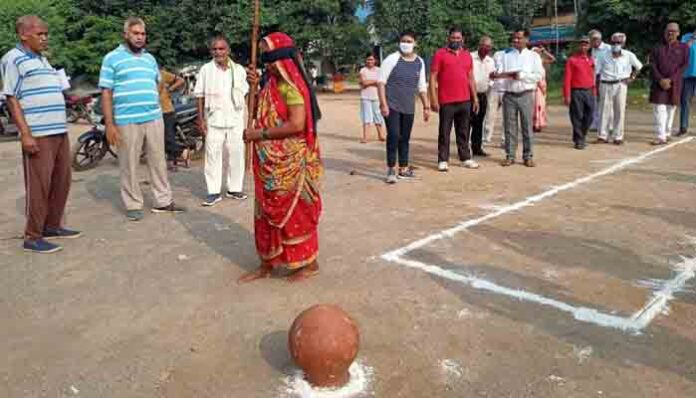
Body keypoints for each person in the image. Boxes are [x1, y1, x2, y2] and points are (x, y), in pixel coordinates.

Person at [239, 32, 323, 283]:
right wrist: (252, 88)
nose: (267, 64)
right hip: (268, 163)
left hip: (291, 162)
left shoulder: (291, 87)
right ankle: (267, 262)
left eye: (270, 58)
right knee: (264, 213)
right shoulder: (270, 86)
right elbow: (254, 110)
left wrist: (260, 133)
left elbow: (297, 124)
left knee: (294, 213)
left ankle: (308, 264)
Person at [1, 15, 81, 253]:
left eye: (46, 33)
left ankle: (52, 226)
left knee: (61, 181)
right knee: (39, 185)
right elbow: (12, 98)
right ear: (23, 34)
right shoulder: (13, 59)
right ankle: (32, 236)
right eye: (40, 34)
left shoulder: (43, 59)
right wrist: (25, 134)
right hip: (38, 132)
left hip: (59, 129)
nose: (45, 38)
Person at [99, 17, 185, 221]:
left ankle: (163, 201)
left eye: (143, 34)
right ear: (126, 34)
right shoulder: (112, 58)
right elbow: (106, 92)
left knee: (158, 160)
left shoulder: (150, 59)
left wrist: (152, 101)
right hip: (126, 120)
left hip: (153, 117)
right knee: (129, 163)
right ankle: (133, 204)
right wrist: (110, 124)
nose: (139, 37)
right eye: (135, 33)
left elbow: (157, 84)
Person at [194, 36, 249, 207]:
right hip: (213, 118)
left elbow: (247, 92)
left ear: (228, 50)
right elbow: (199, 95)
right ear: (211, 51)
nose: (218, 52)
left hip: (235, 118)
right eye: (215, 49)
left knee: (237, 153)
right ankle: (213, 191)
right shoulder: (205, 70)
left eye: (221, 49)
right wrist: (201, 119)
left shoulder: (239, 70)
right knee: (212, 155)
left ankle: (234, 188)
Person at [378, 31, 429, 183]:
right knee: (394, 136)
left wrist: (426, 106)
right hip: (392, 105)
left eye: (409, 41)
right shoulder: (392, 59)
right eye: (403, 41)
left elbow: (421, 87)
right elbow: (381, 82)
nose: (406, 43)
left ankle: (404, 168)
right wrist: (383, 104)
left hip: (408, 106)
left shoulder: (419, 62)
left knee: (405, 138)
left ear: (415, 43)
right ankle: (391, 169)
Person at [430, 26, 478, 172]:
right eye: (453, 38)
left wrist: (475, 98)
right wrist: (433, 99)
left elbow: (471, 77)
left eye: (458, 38)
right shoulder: (440, 54)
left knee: (463, 130)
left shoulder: (467, 55)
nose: (456, 40)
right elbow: (432, 78)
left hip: (465, 99)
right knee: (444, 131)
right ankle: (443, 160)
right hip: (446, 100)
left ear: (462, 39)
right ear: (448, 38)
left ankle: (465, 157)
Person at [494, 29, 544, 167]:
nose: (515, 40)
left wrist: (522, 76)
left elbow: (539, 75)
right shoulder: (505, 55)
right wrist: (497, 75)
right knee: (509, 127)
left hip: (526, 94)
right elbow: (500, 72)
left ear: (527, 39)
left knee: (527, 126)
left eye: (519, 38)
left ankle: (528, 156)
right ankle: (510, 155)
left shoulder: (533, 56)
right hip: (509, 94)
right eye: (514, 38)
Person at [595, 33, 643, 145]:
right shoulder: (603, 55)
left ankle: (618, 136)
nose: (616, 45)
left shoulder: (628, 55)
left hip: (621, 84)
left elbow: (639, 66)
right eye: (613, 42)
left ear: (623, 43)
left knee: (620, 110)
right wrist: (596, 85)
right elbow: (596, 71)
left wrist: (632, 77)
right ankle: (602, 136)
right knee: (604, 110)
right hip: (605, 84)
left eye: (618, 42)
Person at [650, 22, 690, 145]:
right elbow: (652, 65)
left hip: (675, 83)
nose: (670, 33)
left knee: (671, 108)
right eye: (668, 31)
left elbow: (684, 65)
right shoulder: (657, 47)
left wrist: (670, 79)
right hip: (659, 83)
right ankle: (661, 136)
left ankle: (667, 133)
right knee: (659, 108)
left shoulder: (684, 48)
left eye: (673, 31)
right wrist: (660, 79)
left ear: (678, 33)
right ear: (664, 32)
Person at [563, 36, 596, 150]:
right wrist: (567, 95)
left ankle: (582, 135)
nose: (583, 46)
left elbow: (592, 76)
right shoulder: (572, 60)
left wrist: (594, 91)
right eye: (581, 44)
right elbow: (567, 78)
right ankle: (579, 140)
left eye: (586, 44)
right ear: (578, 45)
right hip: (576, 91)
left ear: (589, 46)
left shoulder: (591, 59)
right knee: (577, 116)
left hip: (589, 91)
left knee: (590, 116)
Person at [484, 38, 513, 147]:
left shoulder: (518, 57)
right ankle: (486, 138)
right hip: (495, 88)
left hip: (508, 89)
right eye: (512, 42)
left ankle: (504, 140)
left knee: (507, 116)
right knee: (489, 115)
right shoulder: (498, 54)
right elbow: (492, 70)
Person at [470, 35, 495, 158]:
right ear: (479, 45)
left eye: (489, 46)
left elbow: (492, 77)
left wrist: (489, 85)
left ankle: (477, 148)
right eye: (484, 46)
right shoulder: (470, 57)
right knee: (466, 123)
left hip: (482, 94)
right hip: (468, 94)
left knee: (479, 123)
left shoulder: (490, 61)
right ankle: (463, 149)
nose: (486, 48)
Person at [158, 67, 185, 171]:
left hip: (166, 109)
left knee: (168, 136)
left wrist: (170, 89)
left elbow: (181, 80)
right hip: (153, 111)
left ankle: (172, 161)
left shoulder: (162, 74)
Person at [358, 53, 385, 143]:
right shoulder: (363, 70)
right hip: (365, 97)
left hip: (377, 97)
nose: (370, 61)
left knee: (378, 116)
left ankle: (380, 135)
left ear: (375, 61)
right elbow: (364, 82)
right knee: (366, 117)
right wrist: (375, 82)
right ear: (366, 60)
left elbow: (382, 82)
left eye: (372, 59)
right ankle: (365, 137)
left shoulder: (379, 70)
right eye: (368, 59)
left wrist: (370, 82)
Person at [589, 30, 611, 131]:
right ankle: (595, 123)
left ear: (599, 39)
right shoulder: (593, 50)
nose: (593, 42)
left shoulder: (608, 48)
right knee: (594, 100)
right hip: (594, 77)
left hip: (605, 77)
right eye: (591, 40)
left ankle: (609, 125)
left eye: (594, 40)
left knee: (606, 101)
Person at [531, 45, 556, 132]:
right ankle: (534, 124)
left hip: (542, 86)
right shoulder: (530, 63)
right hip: (535, 86)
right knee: (535, 106)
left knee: (541, 105)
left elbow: (553, 59)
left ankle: (540, 123)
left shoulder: (541, 61)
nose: (537, 53)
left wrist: (544, 51)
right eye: (535, 52)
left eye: (538, 52)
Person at [677, 29, 696, 136]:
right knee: (685, 101)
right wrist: (692, 39)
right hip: (687, 74)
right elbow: (681, 52)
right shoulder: (685, 37)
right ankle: (683, 127)